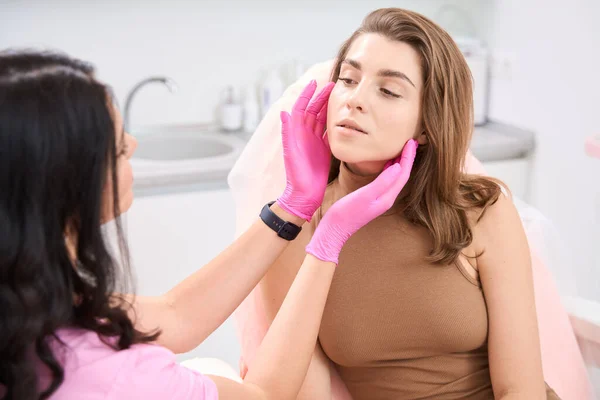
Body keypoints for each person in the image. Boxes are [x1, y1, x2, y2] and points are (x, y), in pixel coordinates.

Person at [0, 50, 417, 399]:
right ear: (65, 184)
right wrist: (326, 243)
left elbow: (175, 315)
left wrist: (293, 207)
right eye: (117, 147)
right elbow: (265, 397)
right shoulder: (115, 378)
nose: (133, 144)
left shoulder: (26, 305)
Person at [232, 8, 565, 399]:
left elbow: (520, 390)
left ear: (426, 124)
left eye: (388, 91)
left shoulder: (480, 210)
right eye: (348, 79)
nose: (354, 100)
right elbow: (297, 389)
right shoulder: (294, 227)